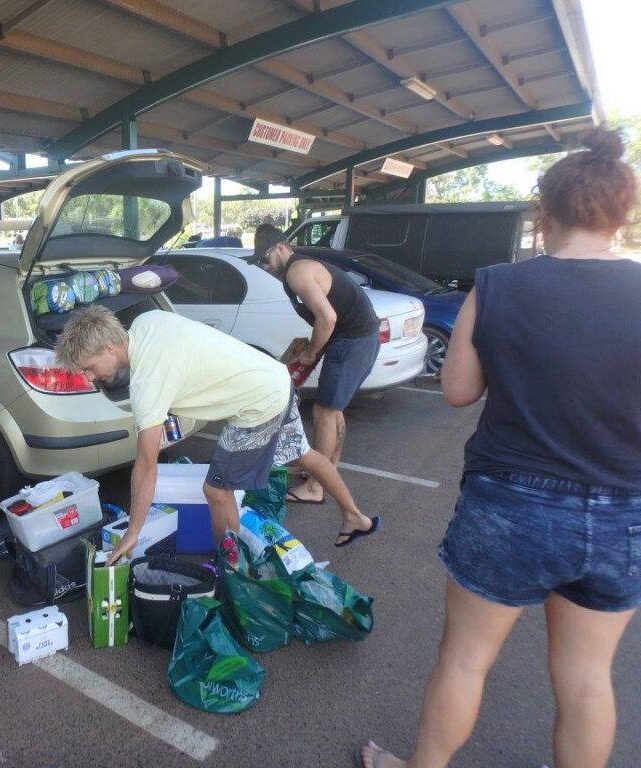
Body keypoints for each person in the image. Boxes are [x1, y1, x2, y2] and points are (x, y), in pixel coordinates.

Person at [356, 128, 641, 768]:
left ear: (544, 212)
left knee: (464, 661)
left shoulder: (500, 285)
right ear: (623, 212)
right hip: (625, 509)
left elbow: (456, 390)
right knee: (587, 677)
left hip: (511, 503)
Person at [54, 305, 378, 563]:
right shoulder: (147, 321)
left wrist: (133, 531)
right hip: (273, 378)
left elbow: (146, 466)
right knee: (302, 453)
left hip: (257, 406)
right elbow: (187, 368)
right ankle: (355, 517)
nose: (87, 377)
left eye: (89, 367)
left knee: (216, 491)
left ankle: (232, 568)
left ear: (110, 347)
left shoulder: (146, 383)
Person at [247, 223, 380, 505]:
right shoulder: (296, 270)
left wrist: (311, 353)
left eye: (265, 259)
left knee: (323, 413)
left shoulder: (297, 270)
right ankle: (325, 468)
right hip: (351, 339)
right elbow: (327, 317)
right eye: (259, 261)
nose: (264, 266)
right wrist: (309, 347)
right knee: (332, 410)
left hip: (352, 341)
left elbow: (327, 318)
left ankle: (316, 486)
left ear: (281, 248)